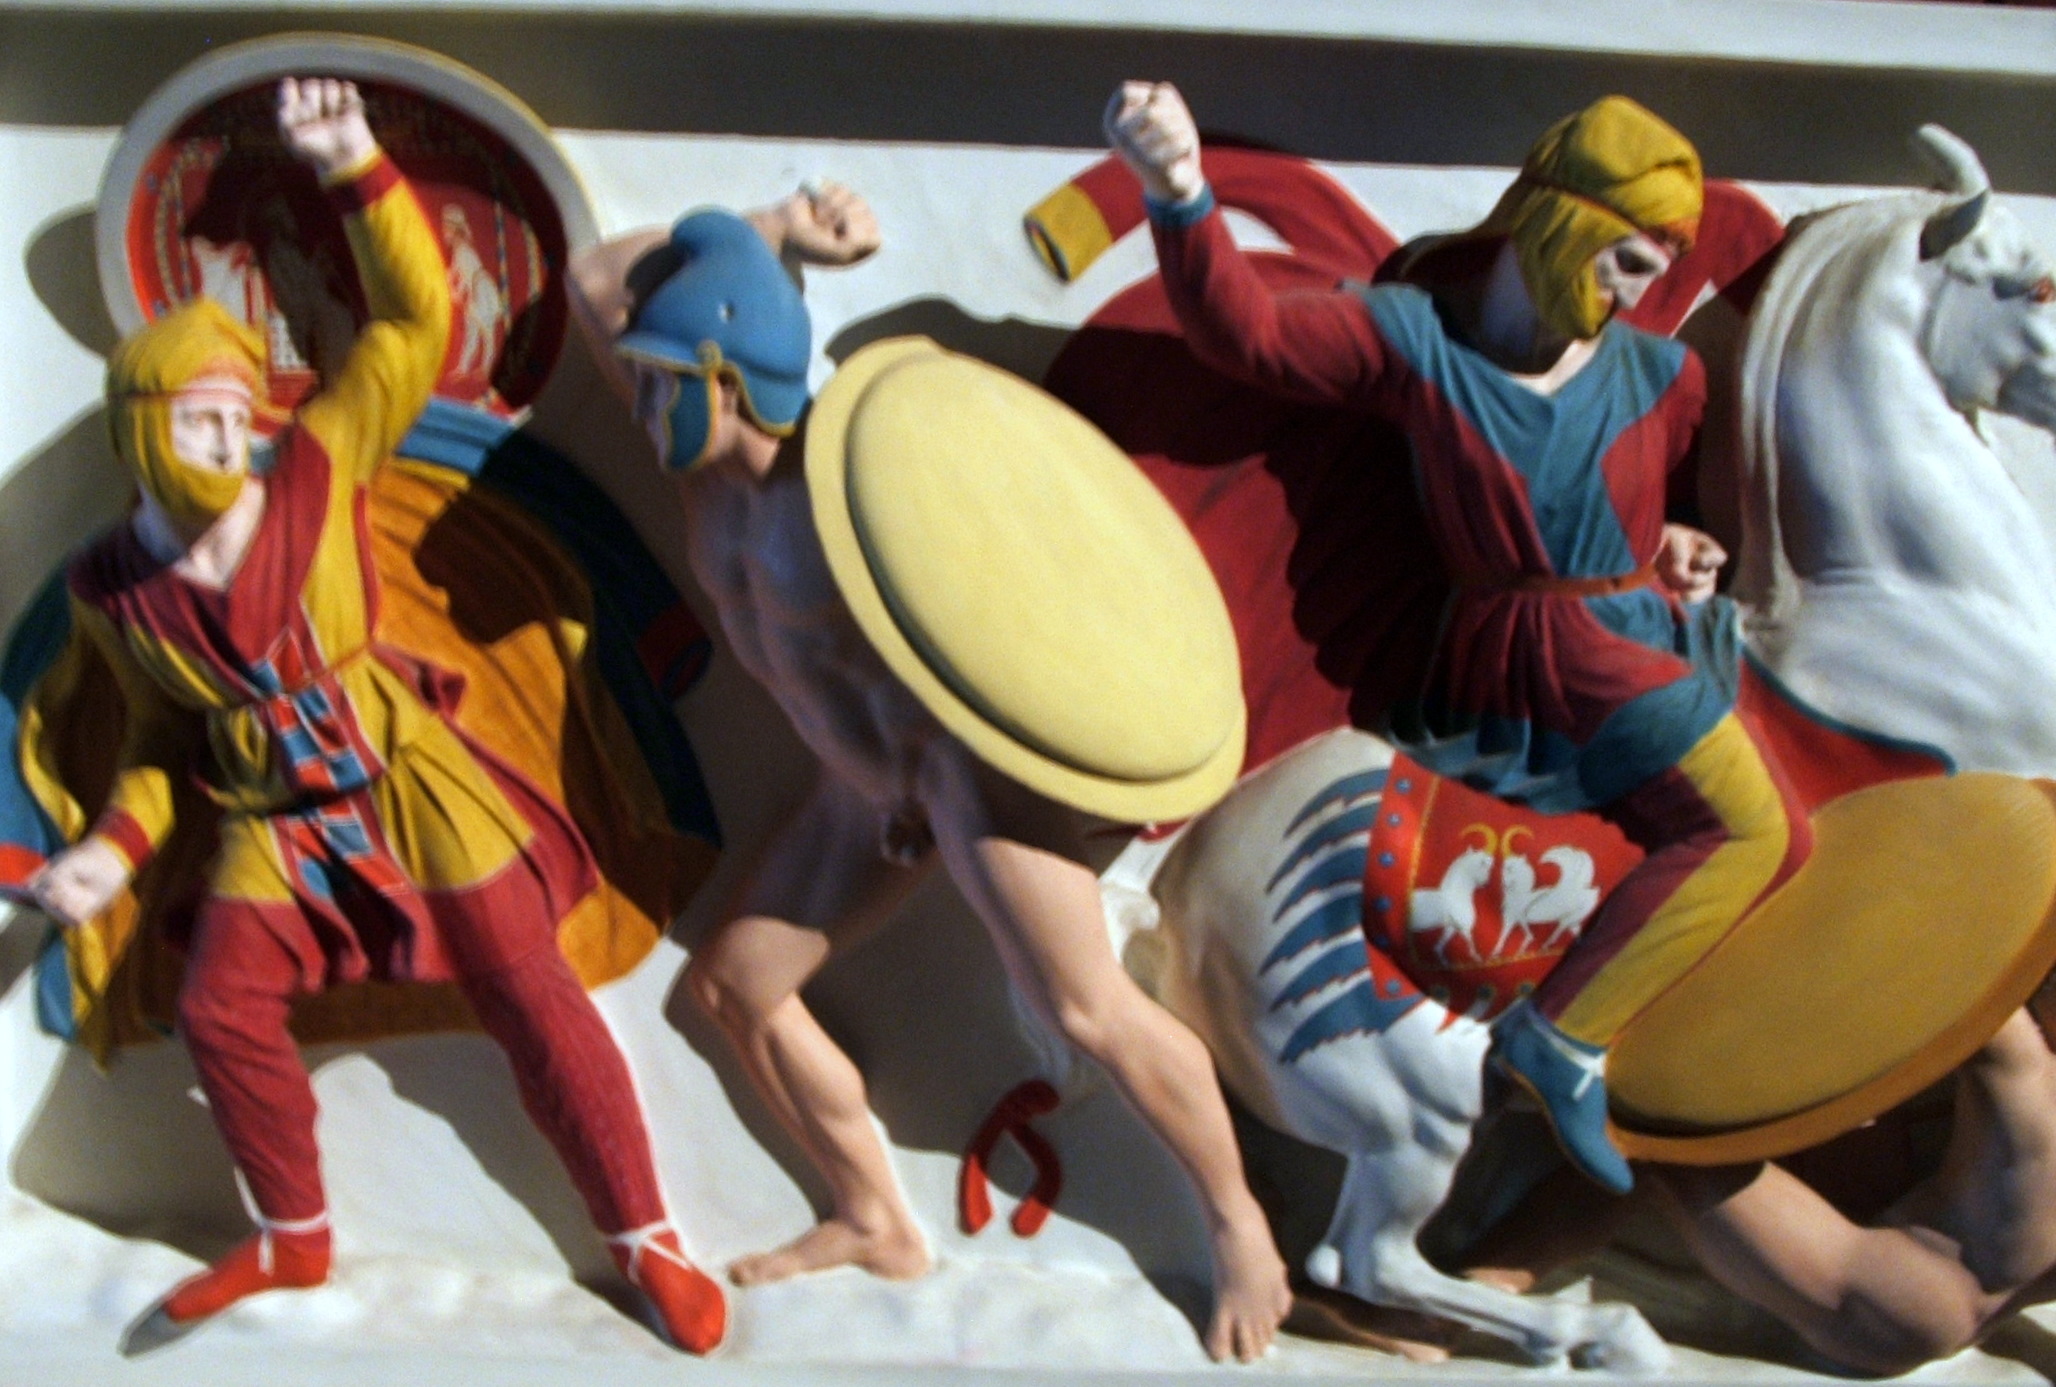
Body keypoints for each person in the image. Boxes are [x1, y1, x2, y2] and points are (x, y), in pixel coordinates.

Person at [28, 78, 725, 1354]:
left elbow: (413, 321)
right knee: (219, 1007)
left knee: (533, 991)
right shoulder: (110, 588)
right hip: (271, 821)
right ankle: (291, 1233)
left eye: (236, 415)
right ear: (143, 429)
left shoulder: (316, 464)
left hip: (413, 782)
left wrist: (356, 164)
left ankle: (645, 1237)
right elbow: (156, 749)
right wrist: (107, 856)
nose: (227, 441)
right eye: (198, 420)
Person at [568, 187, 1293, 1361]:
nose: (643, 402)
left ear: (728, 379)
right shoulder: (703, 480)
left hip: (962, 778)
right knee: (735, 987)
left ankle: (1240, 1228)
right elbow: (597, 276)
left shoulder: (856, 478)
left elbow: (1014, 587)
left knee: (1085, 1005)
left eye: (664, 384)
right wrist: (775, 232)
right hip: (861, 790)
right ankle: (874, 1218)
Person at [1106, 82, 1809, 1196]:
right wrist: (1179, 188)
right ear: (1561, 221)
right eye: (1626, 261)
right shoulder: (1419, 344)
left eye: (1657, 269)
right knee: (1757, 828)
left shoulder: (1662, 374)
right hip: (1545, 660)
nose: (1638, 293)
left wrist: (1668, 544)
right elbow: (1248, 333)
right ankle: (1560, 1038)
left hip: (1636, 624)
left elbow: (1633, 506)